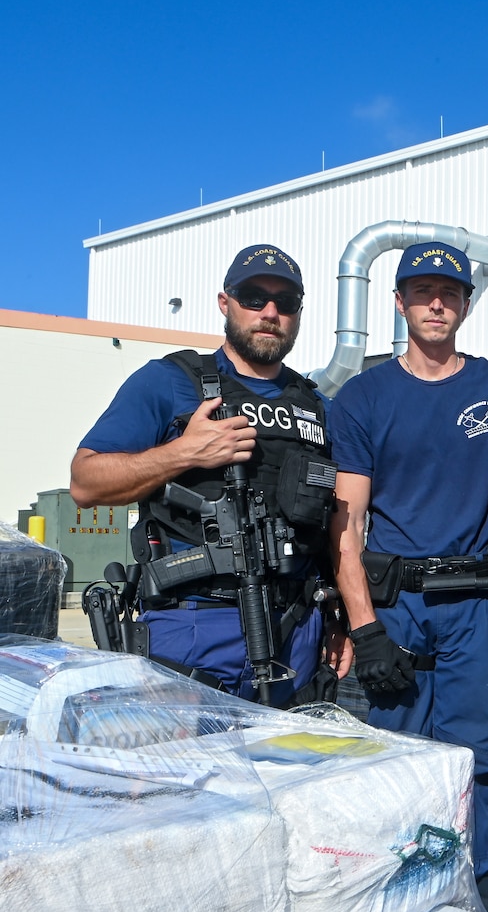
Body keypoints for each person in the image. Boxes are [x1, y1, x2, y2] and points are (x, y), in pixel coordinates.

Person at [327, 241, 488, 877]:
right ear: (398, 302)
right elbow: (347, 521)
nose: (435, 303)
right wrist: (364, 627)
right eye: (421, 291)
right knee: (399, 757)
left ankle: (463, 891)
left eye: (449, 292)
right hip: (399, 607)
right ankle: (403, 888)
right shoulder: (363, 397)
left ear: (467, 304)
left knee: (477, 757)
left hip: (479, 603)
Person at [71, 244, 342, 704]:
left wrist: (340, 619)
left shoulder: (317, 407)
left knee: (288, 773)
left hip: (297, 626)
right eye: (253, 296)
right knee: (179, 773)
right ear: (225, 302)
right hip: (192, 621)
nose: (269, 312)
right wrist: (183, 453)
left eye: (285, 302)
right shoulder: (170, 380)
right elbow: (85, 482)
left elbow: (338, 523)